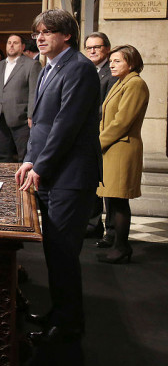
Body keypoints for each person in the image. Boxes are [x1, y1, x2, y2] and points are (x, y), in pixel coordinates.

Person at [16, 9, 101, 353]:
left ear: (67, 35)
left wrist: (42, 166)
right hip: (53, 173)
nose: (39, 37)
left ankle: (68, 327)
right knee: (54, 251)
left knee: (64, 253)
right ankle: (58, 313)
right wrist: (29, 159)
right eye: (37, 32)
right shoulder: (49, 67)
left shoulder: (78, 68)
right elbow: (42, 124)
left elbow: (66, 126)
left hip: (71, 176)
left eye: (47, 31)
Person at [96, 45, 149, 264]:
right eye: (111, 61)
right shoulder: (122, 83)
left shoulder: (135, 83)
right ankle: (118, 243)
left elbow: (122, 122)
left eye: (117, 61)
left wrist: (96, 143)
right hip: (113, 148)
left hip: (122, 147)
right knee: (113, 199)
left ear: (132, 62)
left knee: (119, 200)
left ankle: (121, 246)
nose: (111, 64)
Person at [0, 34, 42, 162]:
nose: (11, 45)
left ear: (22, 47)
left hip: (21, 119)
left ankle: (24, 182)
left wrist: (31, 115)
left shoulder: (32, 65)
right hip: (0, 117)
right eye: (9, 42)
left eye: (15, 43)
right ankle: (5, 181)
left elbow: (34, 92)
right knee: (3, 156)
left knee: (25, 156)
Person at [84, 32, 117, 240]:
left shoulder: (111, 72)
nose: (93, 51)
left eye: (97, 47)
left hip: (103, 134)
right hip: (87, 135)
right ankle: (92, 223)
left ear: (107, 48)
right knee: (92, 182)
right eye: (89, 48)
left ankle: (111, 231)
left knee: (108, 187)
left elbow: (106, 107)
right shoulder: (86, 69)